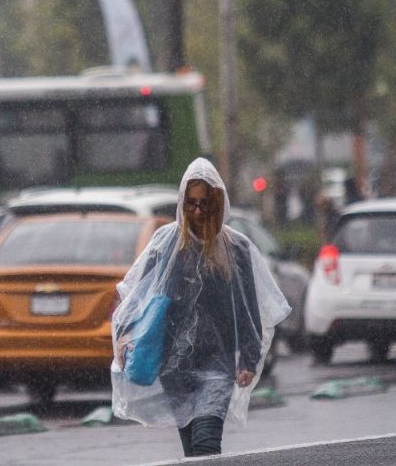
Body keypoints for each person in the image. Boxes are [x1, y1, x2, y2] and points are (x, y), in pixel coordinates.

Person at [111, 158, 290, 457]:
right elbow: (141, 295)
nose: (196, 211)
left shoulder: (236, 248)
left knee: (206, 442)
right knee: (193, 449)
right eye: (190, 204)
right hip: (175, 366)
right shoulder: (166, 243)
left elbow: (247, 308)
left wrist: (248, 358)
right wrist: (127, 333)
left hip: (217, 364)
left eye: (204, 204)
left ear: (217, 204)